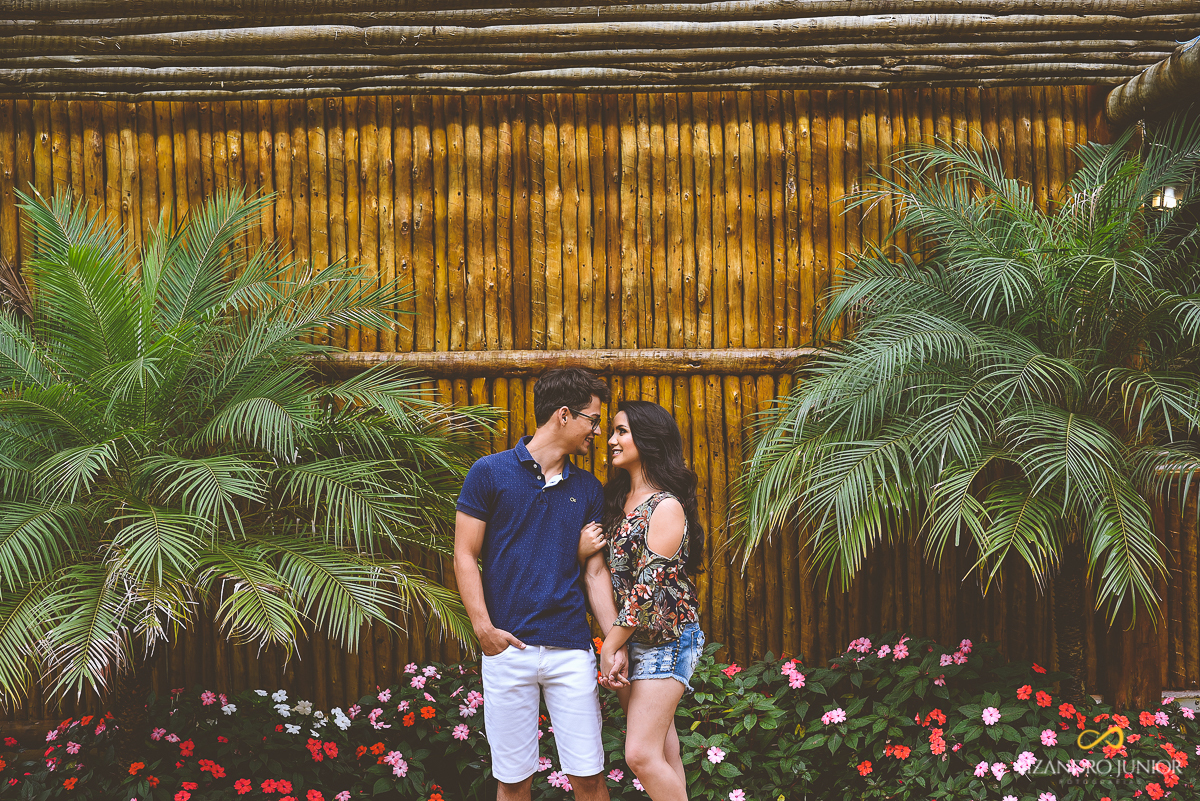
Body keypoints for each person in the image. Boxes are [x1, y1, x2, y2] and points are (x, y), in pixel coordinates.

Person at [454, 368, 627, 801]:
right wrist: (483, 630)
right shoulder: (489, 473)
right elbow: (464, 554)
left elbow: (594, 572)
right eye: (593, 419)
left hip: (570, 650)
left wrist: (612, 644)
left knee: (589, 777)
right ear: (564, 416)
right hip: (507, 648)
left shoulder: (589, 488)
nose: (598, 431)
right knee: (513, 782)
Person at [579, 400, 706, 801]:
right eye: (612, 431)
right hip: (631, 639)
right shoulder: (615, 501)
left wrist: (610, 646)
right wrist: (615, 643)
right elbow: (600, 574)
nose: (610, 440)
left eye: (621, 431)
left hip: (667, 639)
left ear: (648, 440)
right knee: (665, 753)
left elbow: (647, 588)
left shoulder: (665, 505)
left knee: (640, 755)